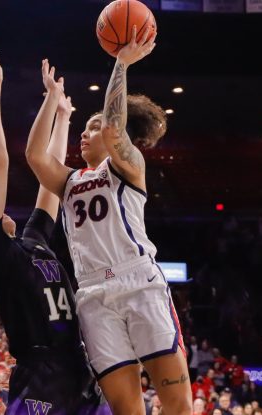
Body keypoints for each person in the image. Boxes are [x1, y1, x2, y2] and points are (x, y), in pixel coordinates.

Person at [26, 25, 192, 415]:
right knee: (126, 409)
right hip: (93, 294)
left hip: (138, 282)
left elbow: (115, 127)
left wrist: (120, 65)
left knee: (179, 405)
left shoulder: (129, 167)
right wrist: (52, 100)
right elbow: (35, 157)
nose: (85, 134)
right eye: (83, 128)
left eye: (93, 127)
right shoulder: (68, 181)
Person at [0, 45, 109, 414]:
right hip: (40, 372)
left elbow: (50, 181)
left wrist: (60, 111)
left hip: (77, 366)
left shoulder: (32, 240)